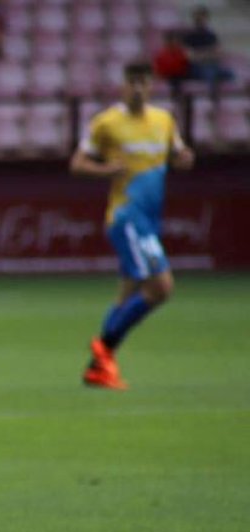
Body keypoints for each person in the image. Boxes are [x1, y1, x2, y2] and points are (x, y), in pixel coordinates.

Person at [69, 63, 194, 390]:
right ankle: (105, 346)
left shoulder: (163, 120)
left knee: (127, 295)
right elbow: (78, 164)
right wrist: (108, 170)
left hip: (150, 218)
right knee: (161, 288)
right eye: (132, 82)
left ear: (151, 85)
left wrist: (184, 159)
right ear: (123, 86)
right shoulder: (107, 123)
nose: (137, 88)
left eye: (143, 82)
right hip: (127, 217)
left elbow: (179, 153)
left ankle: (98, 367)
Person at [180, 5, 234, 100]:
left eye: (203, 17)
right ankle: (213, 101)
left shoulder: (211, 36)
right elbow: (190, 57)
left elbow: (218, 54)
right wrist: (208, 53)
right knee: (209, 74)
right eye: (198, 17)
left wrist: (200, 54)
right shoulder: (188, 36)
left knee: (230, 74)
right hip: (195, 69)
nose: (200, 20)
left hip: (212, 66)